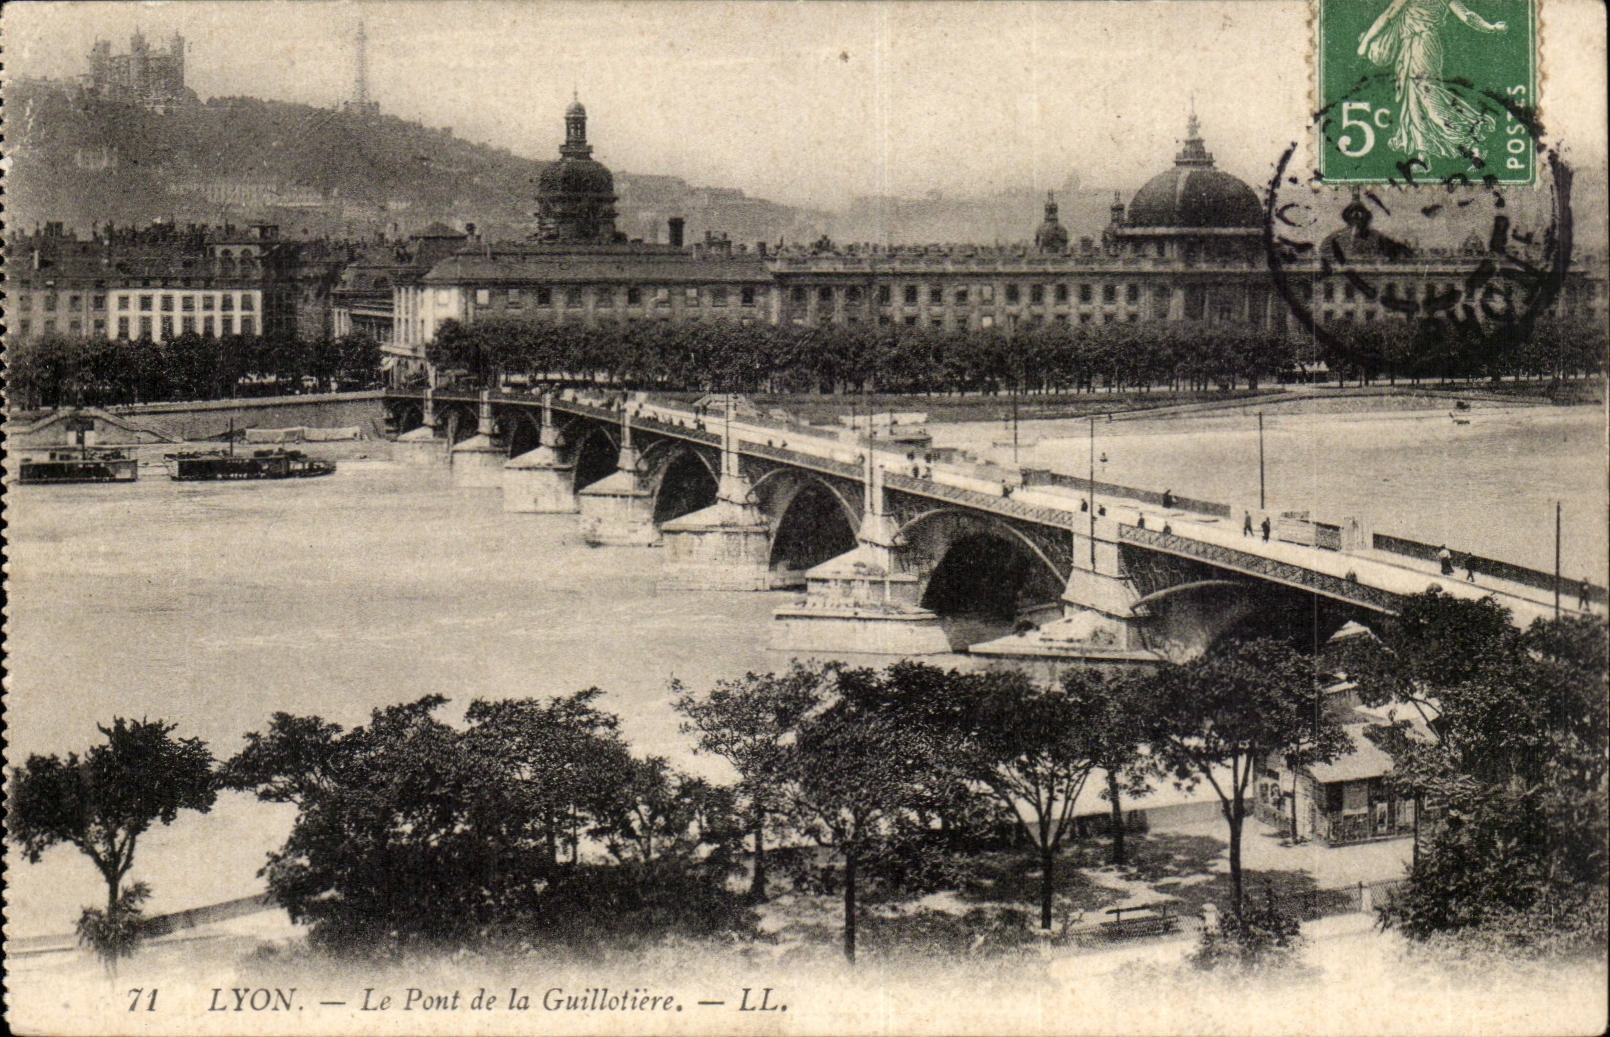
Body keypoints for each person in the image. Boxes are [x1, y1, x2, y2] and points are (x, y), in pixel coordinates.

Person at [1357, 0, 1507, 165]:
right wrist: (1490, 27)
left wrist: (1365, 42)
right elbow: (1467, 16)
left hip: (1422, 48)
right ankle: (1424, 156)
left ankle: (1471, 139)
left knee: (1428, 97)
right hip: (1414, 47)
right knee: (1413, 100)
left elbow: (1389, 14)